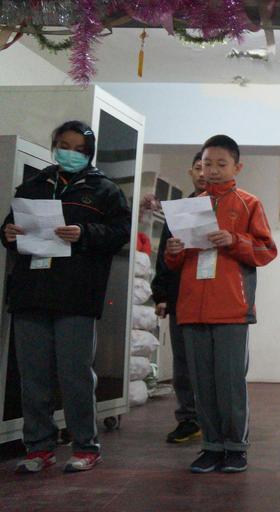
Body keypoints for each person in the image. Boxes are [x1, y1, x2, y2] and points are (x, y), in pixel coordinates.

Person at [2, 120, 130, 473]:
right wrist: (7, 233)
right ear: (55, 146)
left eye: (79, 149)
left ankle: (86, 446)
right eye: (64, 146)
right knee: (33, 376)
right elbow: (10, 228)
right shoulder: (34, 185)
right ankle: (39, 448)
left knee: (75, 374)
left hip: (76, 295)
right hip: (31, 292)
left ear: (89, 153)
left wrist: (84, 232)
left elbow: (120, 232)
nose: (70, 153)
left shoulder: (104, 190)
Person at [164, 135, 277, 473]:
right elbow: (176, 262)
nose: (212, 170)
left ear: (237, 167)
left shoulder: (248, 203)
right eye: (206, 164)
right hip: (191, 307)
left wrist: (234, 240)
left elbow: (266, 251)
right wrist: (173, 252)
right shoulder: (189, 206)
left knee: (230, 382)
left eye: (220, 164)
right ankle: (211, 446)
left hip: (231, 308)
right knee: (201, 383)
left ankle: (236, 447)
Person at [152, 151, 206, 444]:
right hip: (181, 296)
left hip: (215, 296)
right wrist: (161, 294)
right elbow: (165, 252)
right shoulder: (180, 210)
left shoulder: (230, 205)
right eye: (198, 167)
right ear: (191, 172)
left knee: (213, 363)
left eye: (211, 166)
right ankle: (188, 418)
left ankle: (217, 418)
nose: (204, 172)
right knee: (183, 363)